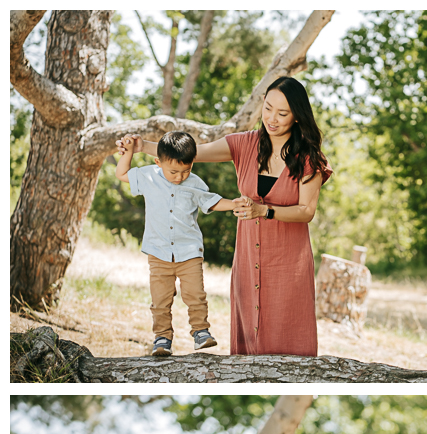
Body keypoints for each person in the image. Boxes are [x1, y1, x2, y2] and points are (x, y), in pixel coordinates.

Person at [124, 77, 332, 358]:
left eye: (282, 113)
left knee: (288, 337)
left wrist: (264, 210)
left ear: (297, 116)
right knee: (249, 342)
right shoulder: (244, 144)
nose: (272, 118)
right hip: (248, 260)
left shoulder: (309, 158)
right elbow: (193, 153)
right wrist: (142, 146)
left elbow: (306, 211)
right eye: (268, 108)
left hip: (288, 264)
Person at [115, 132, 242, 357]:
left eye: (186, 170)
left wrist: (234, 204)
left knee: (195, 294)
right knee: (160, 299)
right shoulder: (148, 176)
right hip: (158, 253)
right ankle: (162, 338)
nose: (179, 177)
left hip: (189, 252)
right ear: (158, 162)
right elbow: (122, 173)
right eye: (173, 171)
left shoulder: (195, 183)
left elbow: (211, 201)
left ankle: (201, 332)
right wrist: (129, 152)